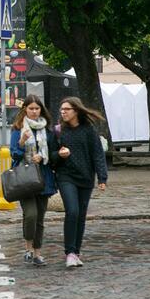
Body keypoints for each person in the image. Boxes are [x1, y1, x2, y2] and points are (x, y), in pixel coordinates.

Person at [51, 97, 108, 268]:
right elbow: (51, 157)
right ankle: (69, 252)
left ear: (76, 111)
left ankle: (76, 252)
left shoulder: (88, 130)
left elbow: (97, 154)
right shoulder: (58, 131)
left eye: (67, 109)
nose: (63, 112)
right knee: (72, 211)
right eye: (61, 109)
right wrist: (59, 155)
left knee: (81, 215)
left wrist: (102, 177)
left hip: (85, 177)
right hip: (66, 176)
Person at [9, 95, 59, 266]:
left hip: (43, 176)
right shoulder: (17, 129)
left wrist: (44, 156)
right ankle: (28, 246)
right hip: (25, 177)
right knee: (30, 214)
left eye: (37, 108)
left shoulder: (48, 130)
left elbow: (53, 153)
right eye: (31, 108)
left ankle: (37, 252)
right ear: (25, 110)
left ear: (41, 110)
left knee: (40, 218)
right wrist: (22, 143)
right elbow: (13, 155)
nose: (34, 111)